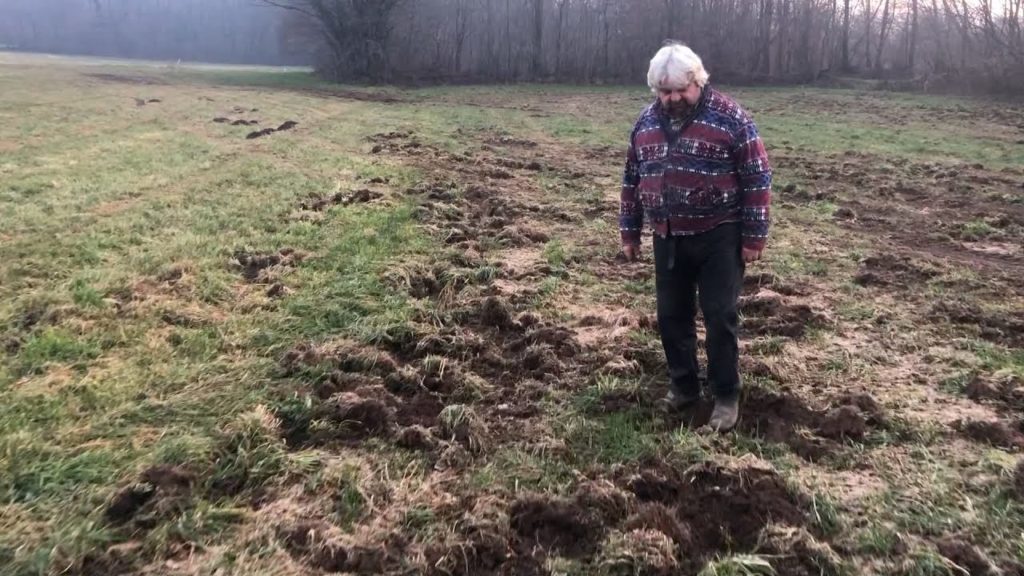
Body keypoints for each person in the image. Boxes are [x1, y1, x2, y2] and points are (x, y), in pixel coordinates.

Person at [619, 43, 772, 432]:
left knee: (719, 316)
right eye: (663, 92)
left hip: (719, 234)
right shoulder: (645, 124)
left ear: (697, 82)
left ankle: (725, 396)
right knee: (671, 317)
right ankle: (684, 388)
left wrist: (754, 236)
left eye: (679, 91)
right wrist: (630, 231)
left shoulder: (731, 118)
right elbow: (632, 180)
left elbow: (757, 176)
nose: (671, 99)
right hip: (667, 235)